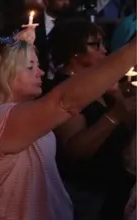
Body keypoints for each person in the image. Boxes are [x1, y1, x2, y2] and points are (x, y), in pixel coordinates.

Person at [0, 36, 137, 220]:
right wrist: (132, 50)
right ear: (1, 73)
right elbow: (64, 102)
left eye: (38, 65)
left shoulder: (20, 113)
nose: (41, 72)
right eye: (30, 67)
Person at [49, 19, 135, 220]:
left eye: (102, 43)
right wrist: (113, 115)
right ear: (74, 51)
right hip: (87, 191)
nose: (103, 50)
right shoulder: (65, 89)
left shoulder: (98, 81)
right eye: (94, 45)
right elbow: (74, 150)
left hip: (114, 184)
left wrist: (119, 98)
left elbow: (127, 123)